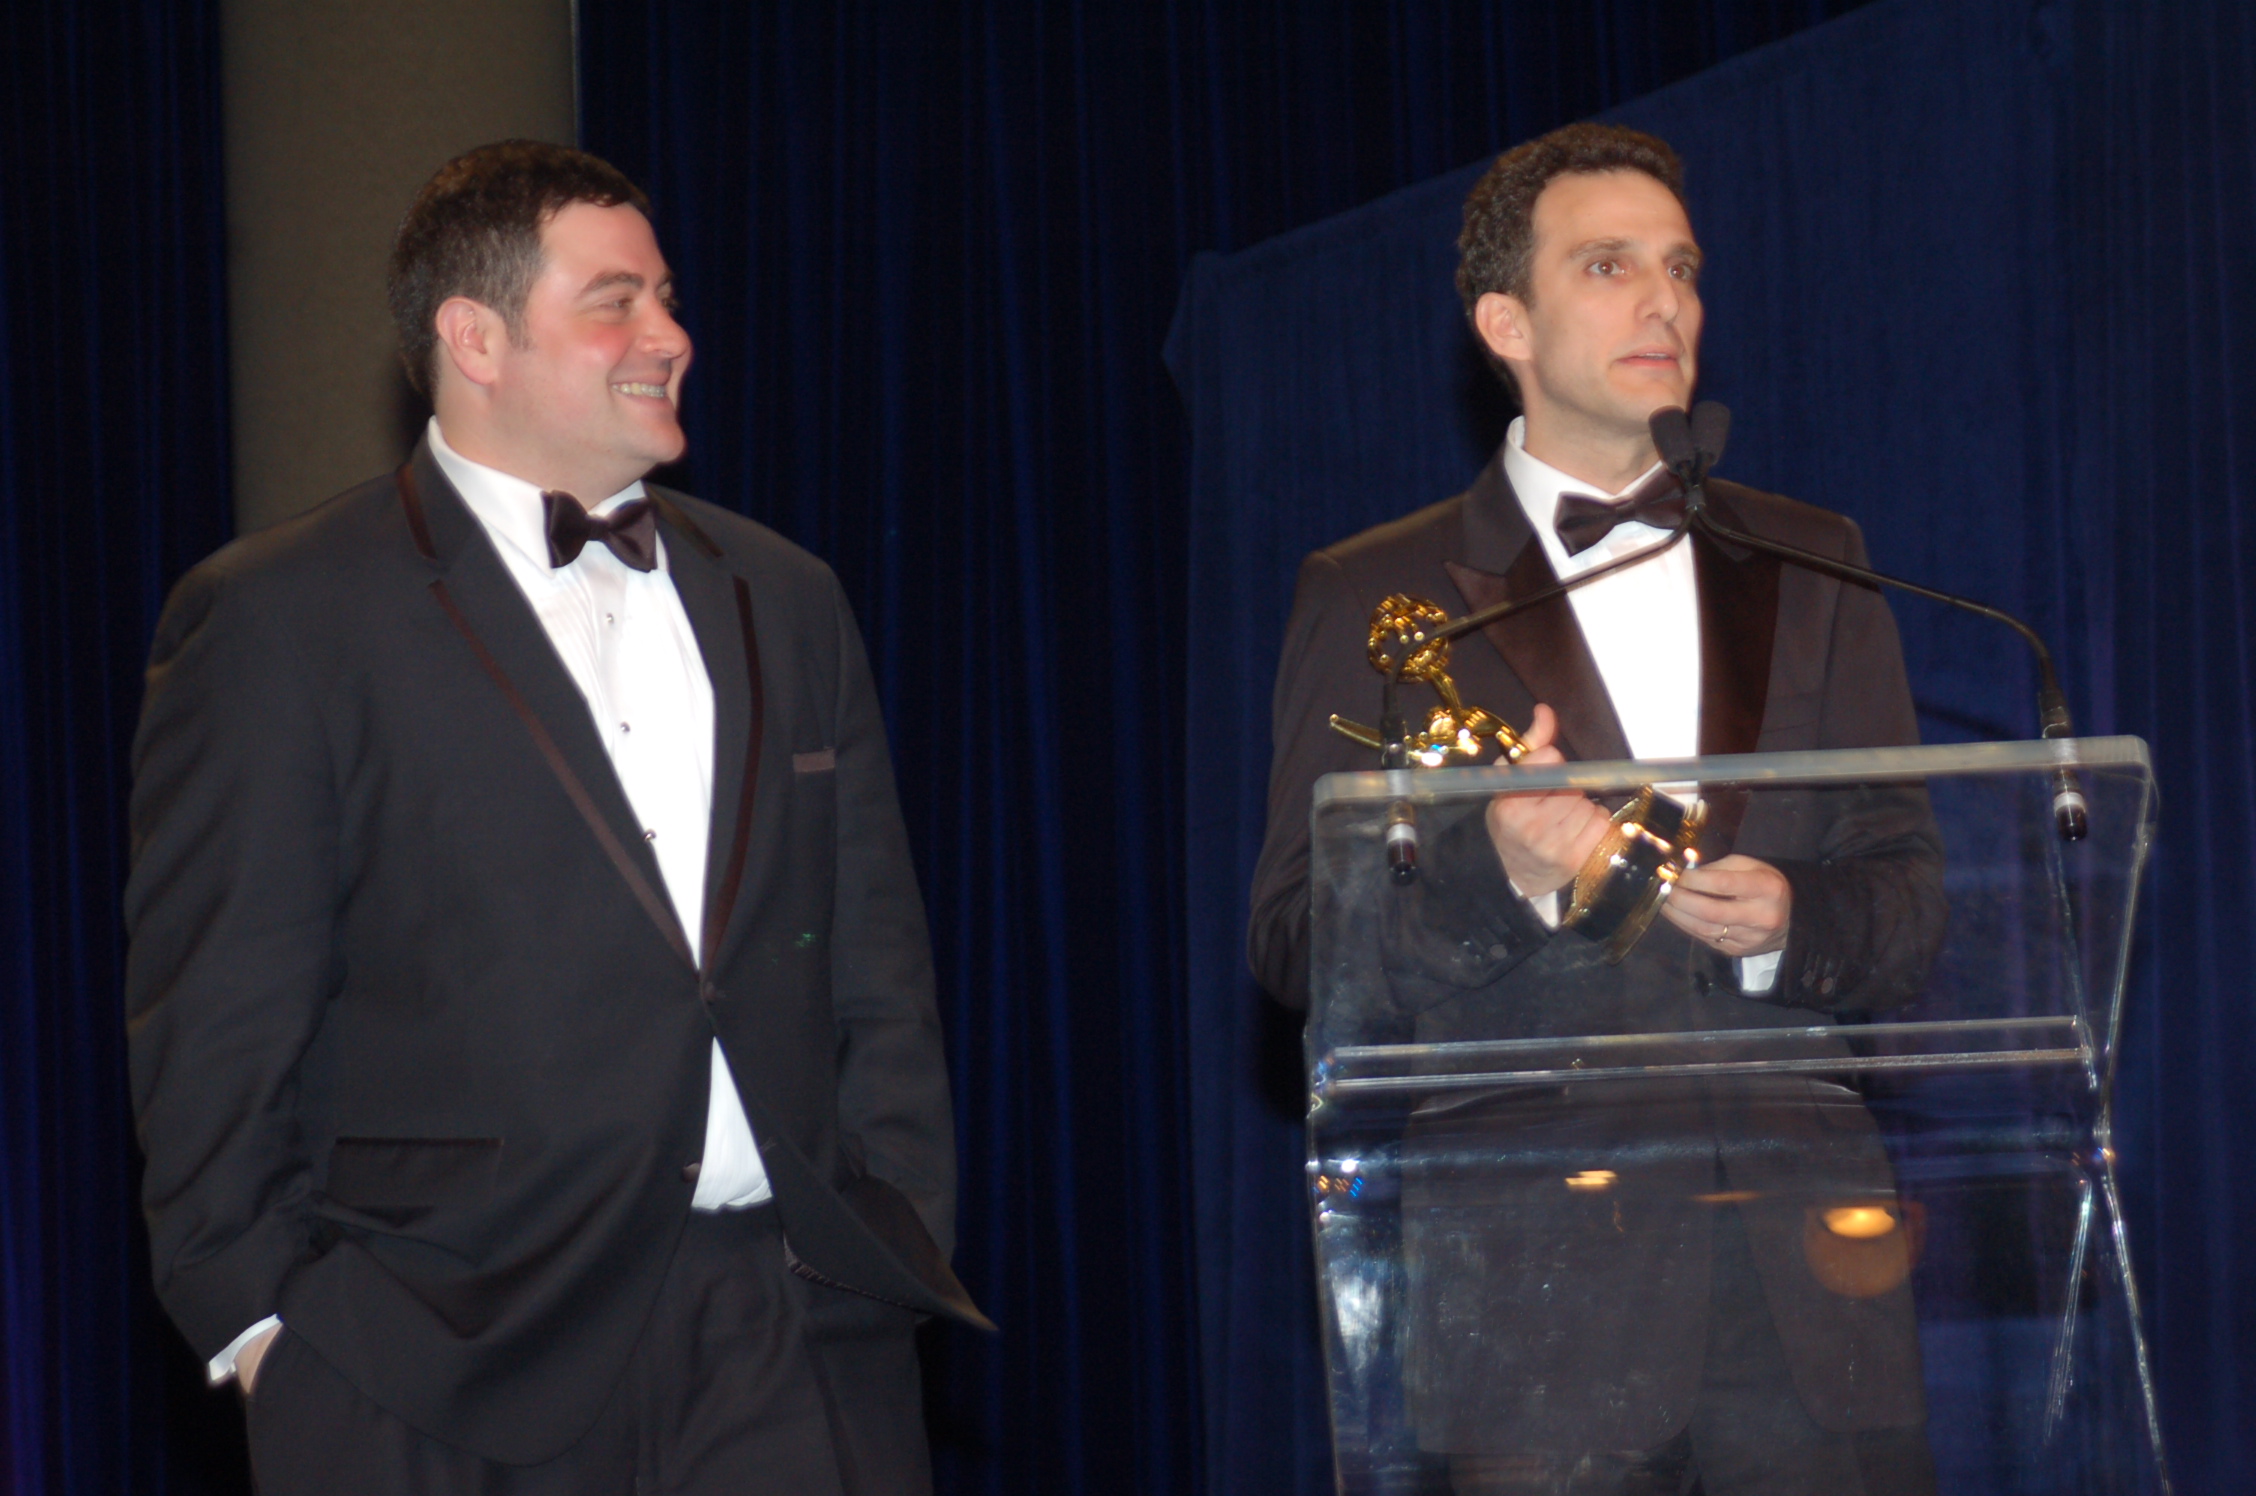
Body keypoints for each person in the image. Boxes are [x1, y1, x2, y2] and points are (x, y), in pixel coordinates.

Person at [125, 140, 984, 1495]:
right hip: (436, 1348)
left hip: (792, 1333)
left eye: (667, 298)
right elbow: (220, 1014)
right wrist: (264, 1333)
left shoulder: (786, 595)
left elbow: (877, 960)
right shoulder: (284, 615)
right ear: (476, 338)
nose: (671, 336)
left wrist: (895, 1222)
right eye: (614, 302)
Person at [1248, 123, 1944, 1493]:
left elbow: (1912, 897)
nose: (1664, 302)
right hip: (1536, 1316)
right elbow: (1295, 941)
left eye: (1681, 268)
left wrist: (1789, 928)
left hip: (1813, 1297)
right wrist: (1500, 875)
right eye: (1610, 266)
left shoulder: (1818, 561)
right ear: (1504, 322)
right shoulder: (1378, 594)